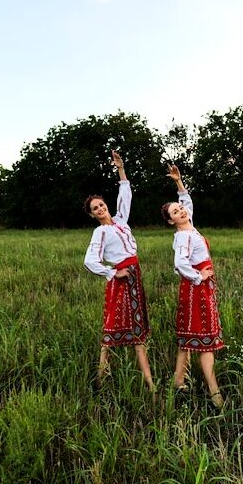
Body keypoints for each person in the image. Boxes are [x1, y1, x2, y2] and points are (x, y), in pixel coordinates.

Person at [83, 151, 155, 392]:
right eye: (96, 208)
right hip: (121, 278)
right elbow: (89, 261)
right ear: (92, 215)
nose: (101, 209)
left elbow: (126, 197)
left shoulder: (121, 221)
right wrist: (113, 273)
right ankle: (101, 379)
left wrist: (121, 170)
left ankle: (149, 383)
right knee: (112, 329)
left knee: (137, 332)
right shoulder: (100, 233)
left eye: (102, 204)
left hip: (135, 274)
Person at [161, 165, 225, 408]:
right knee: (204, 339)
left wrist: (178, 182)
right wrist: (199, 276)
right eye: (176, 213)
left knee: (190, 337)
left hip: (199, 288)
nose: (182, 212)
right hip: (195, 289)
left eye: (181, 209)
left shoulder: (191, 227)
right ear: (171, 221)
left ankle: (178, 380)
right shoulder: (183, 236)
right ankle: (214, 392)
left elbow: (186, 200)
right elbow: (179, 264)